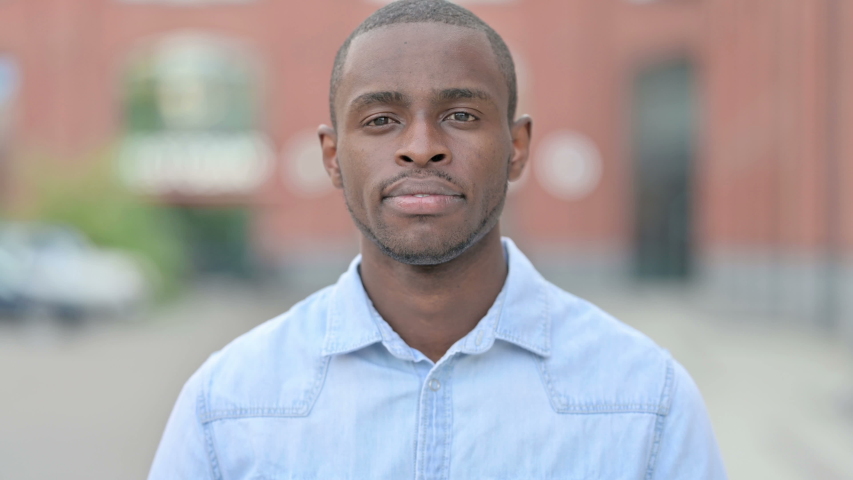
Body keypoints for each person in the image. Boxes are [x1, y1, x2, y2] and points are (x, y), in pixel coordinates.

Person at [149, 0, 727, 478]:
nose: (421, 146)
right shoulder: (227, 405)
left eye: (461, 115)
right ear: (332, 157)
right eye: (380, 120)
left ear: (517, 148)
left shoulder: (648, 400)